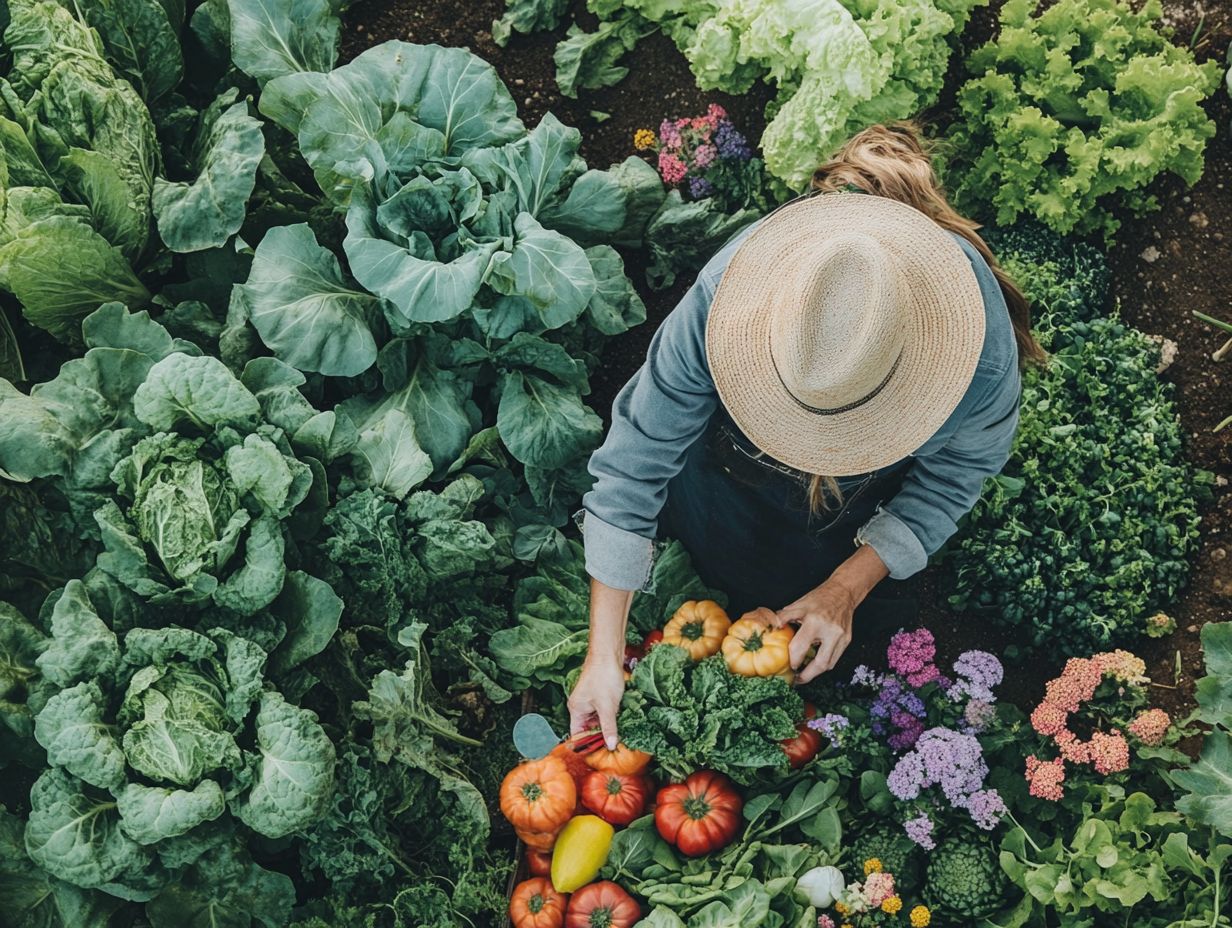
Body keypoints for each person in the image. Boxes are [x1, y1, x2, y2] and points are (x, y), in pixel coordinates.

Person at [567, 123, 1044, 748]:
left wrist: (845, 588)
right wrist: (602, 657)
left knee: (847, 605)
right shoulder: (729, 296)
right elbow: (635, 465)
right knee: (702, 530)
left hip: (848, 516)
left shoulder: (977, 367)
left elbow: (951, 483)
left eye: (847, 424)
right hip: (720, 472)